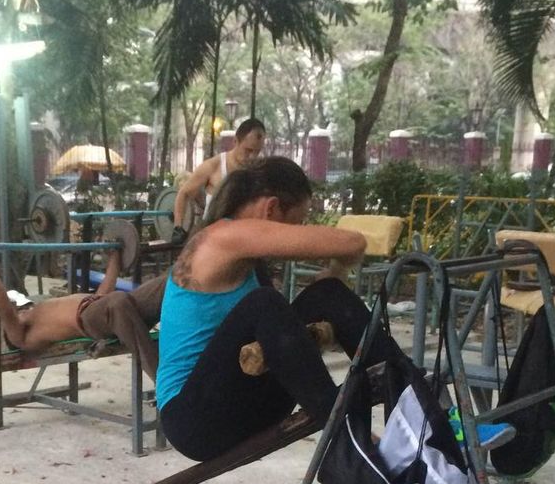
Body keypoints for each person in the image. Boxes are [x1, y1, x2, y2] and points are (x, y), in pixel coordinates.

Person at [156, 157, 384, 462]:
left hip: (246, 405)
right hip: (193, 421)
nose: (296, 232)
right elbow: (352, 243)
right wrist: (339, 267)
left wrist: (334, 277)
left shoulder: (247, 260)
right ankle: (346, 430)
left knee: (325, 293)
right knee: (264, 303)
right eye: (296, 223)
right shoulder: (223, 237)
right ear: (271, 208)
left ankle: (410, 398)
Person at [0, 250, 165, 380]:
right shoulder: (21, 338)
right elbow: (4, 309)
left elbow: (102, 294)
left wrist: (115, 257)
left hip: (111, 308)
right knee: (117, 301)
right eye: (18, 312)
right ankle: (164, 385)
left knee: (170, 281)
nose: (20, 310)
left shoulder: (38, 312)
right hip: (94, 319)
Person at [172, 117, 267, 242]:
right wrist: (178, 227)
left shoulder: (257, 170)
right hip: (212, 239)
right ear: (235, 141)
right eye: (248, 150)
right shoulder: (213, 166)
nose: (252, 157)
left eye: (257, 151)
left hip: (241, 239)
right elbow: (184, 193)